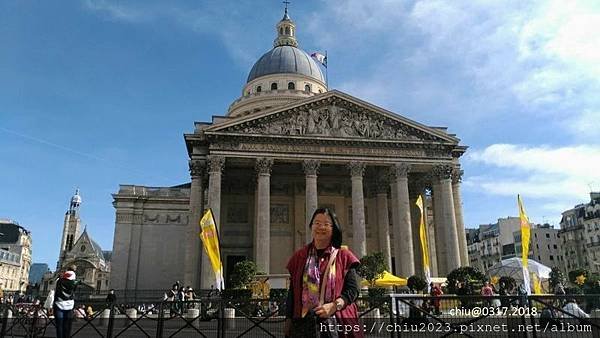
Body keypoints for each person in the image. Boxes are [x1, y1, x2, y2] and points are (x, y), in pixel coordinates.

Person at [284, 207, 362, 338]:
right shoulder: (299, 257)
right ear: (311, 227)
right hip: (303, 325)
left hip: (336, 322)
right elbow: (293, 291)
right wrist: (288, 320)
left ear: (333, 229)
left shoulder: (343, 256)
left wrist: (334, 306)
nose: (321, 227)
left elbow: (353, 290)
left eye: (326, 224)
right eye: (317, 223)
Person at [53, 265, 80, 338]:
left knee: (59, 326)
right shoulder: (75, 282)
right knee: (67, 326)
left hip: (59, 304)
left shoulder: (58, 281)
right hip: (69, 305)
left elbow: (54, 289)